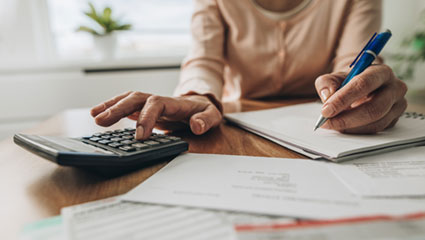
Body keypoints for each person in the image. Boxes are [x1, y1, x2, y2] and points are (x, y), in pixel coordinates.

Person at [91, 0, 407, 140]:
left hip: (323, 120)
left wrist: (367, 88)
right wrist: (196, 95)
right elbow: (204, 60)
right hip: (238, 122)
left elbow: (352, 62)